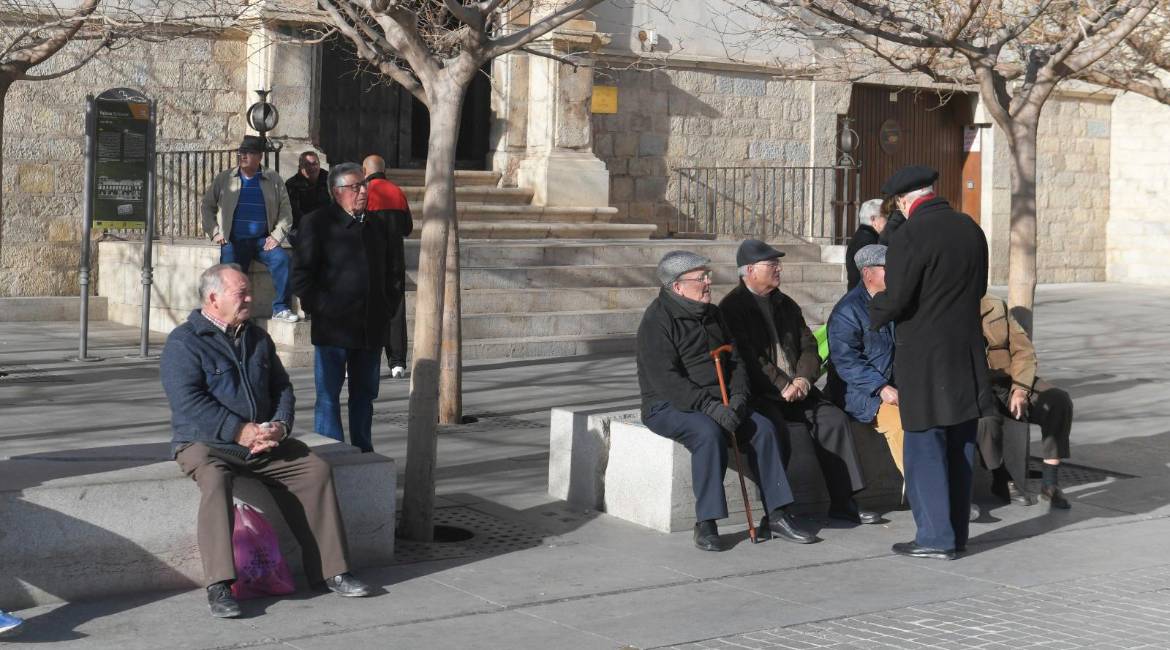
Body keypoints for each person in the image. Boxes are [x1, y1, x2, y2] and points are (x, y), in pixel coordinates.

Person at [160, 264, 371, 619]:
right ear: (213, 298)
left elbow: (282, 388)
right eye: (240, 293)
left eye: (248, 292)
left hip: (261, 440)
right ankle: (221, 585)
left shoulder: (258, 338)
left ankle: (331, 571)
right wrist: (238, 430)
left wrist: (278, 426)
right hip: (204, 442)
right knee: (214, 479)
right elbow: (188, 402)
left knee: (314, 469)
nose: (249, 298)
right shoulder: (184, 342)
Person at [637, 250, 817, 552]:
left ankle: (777, 512)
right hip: (670, 405)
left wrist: (738, 400)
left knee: (764, 427)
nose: (708, 282)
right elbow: (667, 380)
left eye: (708, 276)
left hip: (720, 399)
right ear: (677, 286)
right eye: (701, 278)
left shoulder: (714, 314)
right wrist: (710, 408)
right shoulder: (657, 321)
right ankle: (706, 521)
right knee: (707, 434)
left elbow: (736, 362)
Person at [870, 164, 990, 561]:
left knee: (924, 448)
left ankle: (935, 538)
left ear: (904, 202)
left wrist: (875, 310)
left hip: (925, 359)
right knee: (959, 446)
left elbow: (898, 296)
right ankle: (956, 534)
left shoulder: (912, 234)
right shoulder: (970, 227)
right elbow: (982, 288)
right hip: (966, 354)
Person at [721, 240, 879, 526]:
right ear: (750, 271)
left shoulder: (785, 303)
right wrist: (782, 385)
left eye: (777, 264)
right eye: (772, 265)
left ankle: (844, 501)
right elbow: (749, 357)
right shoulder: (732, 308)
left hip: (797, 389)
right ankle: (779, 513)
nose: (778, 268)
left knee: (833, 419)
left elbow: (809, 346)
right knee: (771, 431)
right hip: (762, 393)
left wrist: (804, 379)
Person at [292, 163, 397, 453]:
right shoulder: (317, 222)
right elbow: (301, 275)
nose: (363, 191)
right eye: (356, 187)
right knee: (328, 396)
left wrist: (387, 306)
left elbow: (392, 271)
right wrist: (320, 307)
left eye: (364, 185)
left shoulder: (376, 224)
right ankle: (332, 453)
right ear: (338, 192)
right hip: (333, 329)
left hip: (370, 328)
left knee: (364, 396)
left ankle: (364, 451)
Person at [978, 294, 1073, 509]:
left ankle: (1050, 484)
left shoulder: (993, 305)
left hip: (1011, 380)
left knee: (1057, 401)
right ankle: (1002, 478)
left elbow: (1023, 350)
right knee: (987, 421)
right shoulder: (946, 307)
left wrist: (1020, 389)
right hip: (975, 385)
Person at [201, 135, 298, 322]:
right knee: (230, 277)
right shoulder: (225, 178)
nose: (243, 156)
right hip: (233, 240)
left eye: (248, 152)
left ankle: (280, 308)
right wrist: (214, 231)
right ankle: (231, 314)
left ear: (259, 156)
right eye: (241, 152)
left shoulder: (273, 179)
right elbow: (207, 205)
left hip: (263, 240)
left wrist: (277, 236)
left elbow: (286, 211)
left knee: (282, 261)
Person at [827, 244, 903, 476]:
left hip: (898, 385)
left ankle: (944, 489)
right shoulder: (847, 310)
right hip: (861, 393)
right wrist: (880, 387)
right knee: (902, 426)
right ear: (868, 273)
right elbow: (847, 361)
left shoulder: (896, 303)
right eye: (888, 268)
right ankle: (927, 492)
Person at [363, 155, 414, 379]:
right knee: (396, 308)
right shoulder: (397, 192)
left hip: (370, 261)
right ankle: (397, 361)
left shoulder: (363, 193)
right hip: (395, 260)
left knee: (368, 309)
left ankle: (365, 358)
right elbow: (408, 228)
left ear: (365, 170)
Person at [285, 151, 331, 242]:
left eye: (315, 164)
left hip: (327, 224)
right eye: (307, 164)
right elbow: (295, 212)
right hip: (302, 227)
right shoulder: (292, 184)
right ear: (300, 167)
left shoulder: (329, 179)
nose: (312, 167)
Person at [844, 199, 886, 290]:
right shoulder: (867, 241)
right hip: (863, 298)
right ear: (873, 219)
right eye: (884, 217)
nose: (887, 221)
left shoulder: (863, 236)